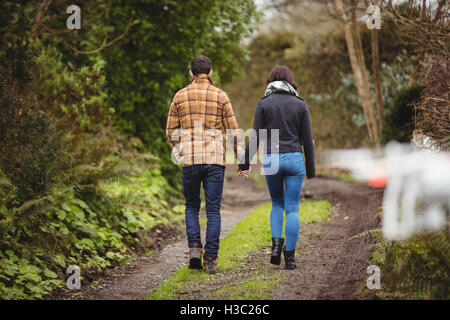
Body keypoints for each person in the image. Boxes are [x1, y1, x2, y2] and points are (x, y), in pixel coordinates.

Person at [166, 55, 244, 274]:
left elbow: (170, 131)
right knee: (213, 211)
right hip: (214, 159)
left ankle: (194, 249)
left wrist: (179, 148)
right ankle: (210, 259)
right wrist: (242, 159)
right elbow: (233, 130)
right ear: (211, 73)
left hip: (190, 159)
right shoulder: (221, 95)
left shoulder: (180, 95)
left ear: (191, 73)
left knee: (191, 205)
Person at [238, 65, 315, 270]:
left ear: (270, 81)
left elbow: (255, 136)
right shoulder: (300, 104)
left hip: (272, 158)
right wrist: (311, 168)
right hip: (295, 158)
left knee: (277, 204)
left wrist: (244, 163)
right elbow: (307, 139)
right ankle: (289, 258)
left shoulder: (264, 103)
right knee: (292, 209)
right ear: (291, 81)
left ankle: (275, 248)